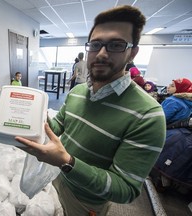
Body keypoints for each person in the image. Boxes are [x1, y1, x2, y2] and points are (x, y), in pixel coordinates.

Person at [15, 5, 166, 216]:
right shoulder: (77, 91)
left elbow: (126, 189)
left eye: (116, 45)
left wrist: (67, 162)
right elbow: (59, 125)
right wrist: (30, 120)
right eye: (95, 44)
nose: (101, 53)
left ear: (132, 53)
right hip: (56, 177)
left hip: (86, 201)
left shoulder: (148, 115)